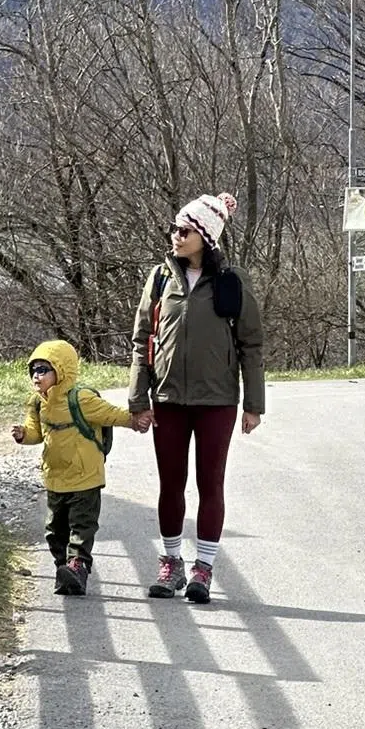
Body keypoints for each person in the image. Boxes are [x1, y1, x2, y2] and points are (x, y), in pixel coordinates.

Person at [129, 190, 265, 605]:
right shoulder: (159, 279)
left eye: (184, 230)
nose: (175, 236)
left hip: (217, 401)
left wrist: (253, 404)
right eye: (174, 228)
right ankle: (171, 563)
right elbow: (143, 341)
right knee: (171, 484)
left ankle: (203, 568)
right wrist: (139, 398)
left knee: (211, 484)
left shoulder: (231, 283)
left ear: (205, 236)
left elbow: (251, 344)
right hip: (168, 398)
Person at [12, 337, 138, 596]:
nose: (37, 376)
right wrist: (24, 434)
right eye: (33, 370)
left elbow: (113, 414)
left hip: (85, 477)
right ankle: (64, 569)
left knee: (81, 527)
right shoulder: (37, 402)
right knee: (54, 530)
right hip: (55, 477)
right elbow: (36, 432)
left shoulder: (81, 398)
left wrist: (139, 419)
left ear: (62, 371)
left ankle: (77, 566)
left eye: (44, 370)